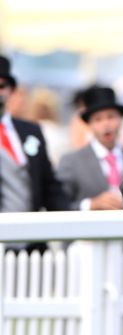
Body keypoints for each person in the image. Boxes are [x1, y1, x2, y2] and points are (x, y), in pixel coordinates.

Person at [0, 54, 70, 216]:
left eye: (2, 86)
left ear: (11, 90)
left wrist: (71, 222)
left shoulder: (31, 131)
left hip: (30, 233)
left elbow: (49, 185)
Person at [57, 86, 123, 211]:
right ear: (89, 125)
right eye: (98, 119)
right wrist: (90, 205)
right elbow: (59, 204)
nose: (106, 124)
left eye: (111, 117)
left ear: (121, 120)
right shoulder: (71, 162)